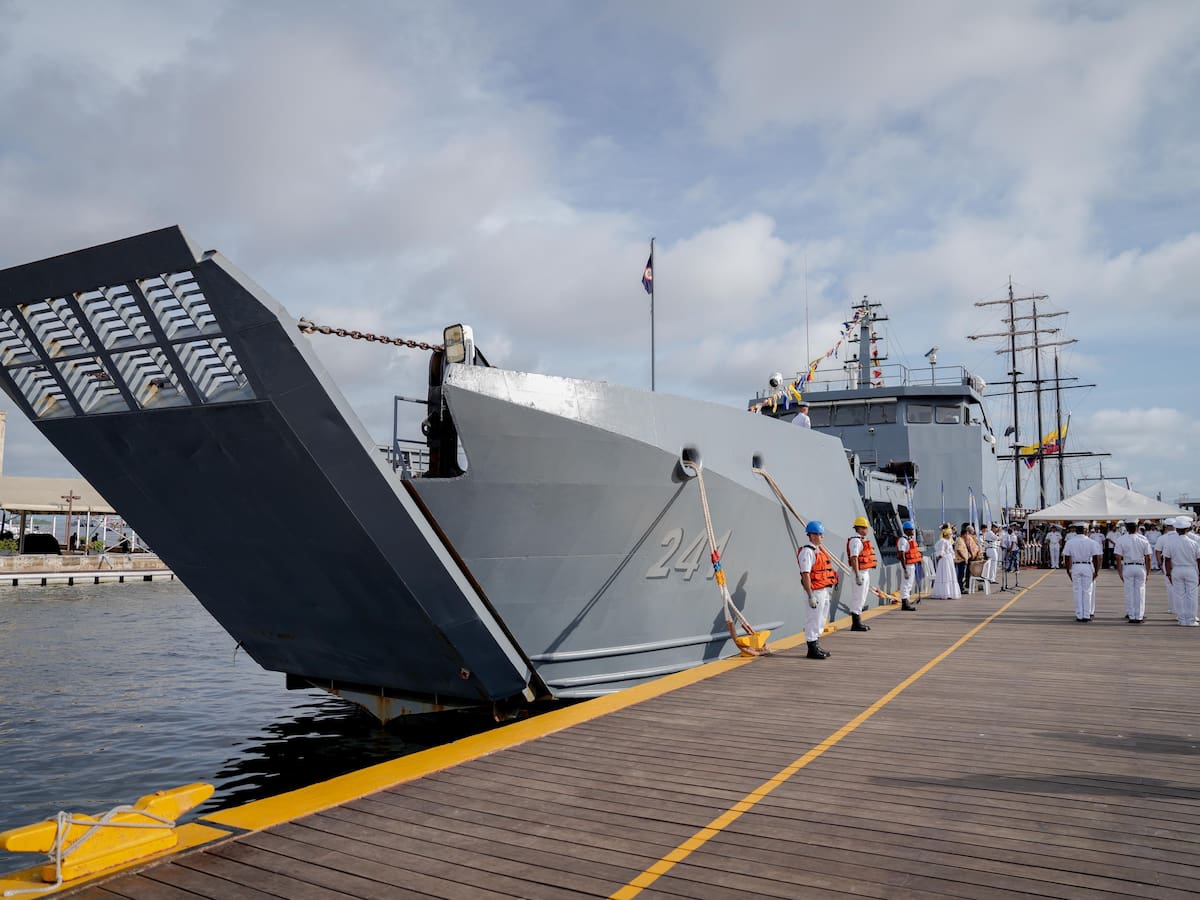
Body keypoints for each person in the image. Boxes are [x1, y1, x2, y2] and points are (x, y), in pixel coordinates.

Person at [797, 520, 837, 657]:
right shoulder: (807, 552)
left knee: (820, 618)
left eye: (822, 534)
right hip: (814, 591)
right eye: (820, 534)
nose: (822, 537)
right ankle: (812, 648)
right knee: (813, 619)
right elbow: (805, 574)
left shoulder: (817, 551)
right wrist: (810, 595)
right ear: (812, 536)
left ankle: (816, 644)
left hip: (823, 590)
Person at [1163, 517, 1200, 627]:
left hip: (1176, 569)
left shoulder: (1170, 543)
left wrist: (1168, 573)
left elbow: (1167, 560)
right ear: (1188, 528)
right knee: (1192, 595)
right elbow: (1199, 560)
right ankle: (1191, 619)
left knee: (1179, 595)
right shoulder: (1194, 543)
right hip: (1191, 569)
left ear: (1176, 529)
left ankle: (1181, 619)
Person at [1114, 519, 1151, 624]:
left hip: (1127, 567)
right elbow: (1148, 557)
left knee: (1129, 592)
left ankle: (1131, 615)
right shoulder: (1143, 539)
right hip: (1140, 567)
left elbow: (1118, 557)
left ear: (1126, 528)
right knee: (1140, 592)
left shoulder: (1121, 539)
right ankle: (1139, 616)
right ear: (1137, 527)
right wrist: (1148, 572)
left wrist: (1120, 572)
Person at [1062, 521, 1100, 622]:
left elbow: (1067, 557)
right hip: (1087, 566)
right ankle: (1086, 615)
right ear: (1086, 531)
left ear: (1076, 531)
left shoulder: (1070, 542)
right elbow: (1096, 558)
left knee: (1077, 591)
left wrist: (1068, 570)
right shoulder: (1092, 542)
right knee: (1087, 591)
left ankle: (1079, 615)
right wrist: (1096, 571)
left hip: (1075, 566)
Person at [845, 515, 875, 632]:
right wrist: (857, 574)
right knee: (858, 597)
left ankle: (858, 621)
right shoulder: (855, 541)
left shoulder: (860, 540)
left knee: (862, 597)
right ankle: (856, 623)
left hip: (864, 572)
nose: (867, 530)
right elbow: (854, 558)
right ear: (860, 528)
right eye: (865, 528)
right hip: (860, 573)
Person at [896, 520, 920, 611]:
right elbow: (901, 554)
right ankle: (905, 604)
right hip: (907, 566)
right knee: (905, 584)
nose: (913, 531)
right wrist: (905, 569)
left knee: (909, 584)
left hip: (911, 565)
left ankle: (907, 601)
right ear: (906, 530)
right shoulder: (903, 540)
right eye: (911, 529)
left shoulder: (909, 539)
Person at [931, 526, 961, 599]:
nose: (950, 535)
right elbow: (940, 551)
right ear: (946, 534)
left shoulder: (947, 541)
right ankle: (945, 593)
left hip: (948, 559)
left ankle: (949, 592)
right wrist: (941, 555)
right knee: (945, 575)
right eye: (949, 534)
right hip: (945, 560)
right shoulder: (942, 541)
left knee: (949, 575)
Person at [1156, 518, 1178, 614]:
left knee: (1169, 585)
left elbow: (1157, 551)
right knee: (1181, 586)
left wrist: (1160, 563)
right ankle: (1180, 608)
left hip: (1167, 563)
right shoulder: (1180, 536)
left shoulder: (1162, 538)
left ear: (1167, 527)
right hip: (1179, 563)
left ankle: (1172, 608)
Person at [953, 525, 970, 593]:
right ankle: (960, 588)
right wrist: (964, 558)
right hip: (960, 560)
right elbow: (959, 550)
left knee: (962, 574)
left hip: (962, 560)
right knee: (961, 575)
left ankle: (961, 587)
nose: (967, 536)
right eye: (967, 534)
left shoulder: (962, 540)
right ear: (964, 534)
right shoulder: (960, 540)